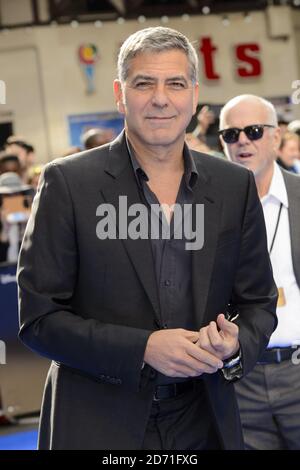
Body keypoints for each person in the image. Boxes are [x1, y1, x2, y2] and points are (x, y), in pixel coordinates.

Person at [17, 27, 277, 450]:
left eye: (175, 84)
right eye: (144, 84)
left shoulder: (234, 186)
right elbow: (39, 319)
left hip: (204, 419)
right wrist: (143, 348)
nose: (161, 98)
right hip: (97, 422)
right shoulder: (68, 183)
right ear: (121, 94)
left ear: (193, 95)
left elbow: (258, 304)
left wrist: (234, 345)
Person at [219, 94, 300, 450]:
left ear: (276, 137)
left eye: (252, 131)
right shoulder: (205, 210)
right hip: (240, 380)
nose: (242, 142)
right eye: (230, 134)